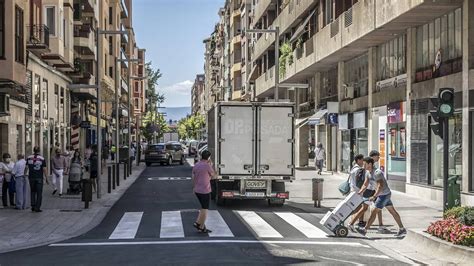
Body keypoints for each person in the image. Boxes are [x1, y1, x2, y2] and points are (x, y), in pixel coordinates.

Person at [357, 157, 407, 237]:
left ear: (370, 164)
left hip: (384, 195)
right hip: (383, 194)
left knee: (374, 212)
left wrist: (374, 196)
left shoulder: (377, 173)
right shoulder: (367, 172)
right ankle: (402, 229)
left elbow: (380, 186)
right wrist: (359, 192)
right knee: (392, 211)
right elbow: (365, 184)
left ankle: (364, 230)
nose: (363, 166)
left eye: (364, 164)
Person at [347, 154, 375, 232]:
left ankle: (358, 222)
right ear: (358, 160)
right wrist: (361, 191)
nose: (363, 163)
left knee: (361, 207)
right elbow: (363, 183)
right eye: (363, 161)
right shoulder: (360, 170)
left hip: (358, 190)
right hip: (362, 191)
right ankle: (357, 223)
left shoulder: (354, 168)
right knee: (361, 208)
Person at [192, 150, 216, 233]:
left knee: (203, 207)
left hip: (197, 190)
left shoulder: (196, 165)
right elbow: (213, 176)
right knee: (205, 209)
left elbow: (193, 176)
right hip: (205, 190)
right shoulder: (207, 166)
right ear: (208, 157)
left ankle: (201, 227)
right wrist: (211, 165)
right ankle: (198, 223)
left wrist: (194, 187)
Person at [26, 146, 49, 212]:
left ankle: (33, 205)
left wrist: (25, 174)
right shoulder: (42, 158)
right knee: (39, 193)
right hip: (39, 177)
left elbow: (26, 167)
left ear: (33, 150)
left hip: (31, 177)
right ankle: (37, 207)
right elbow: (44, 169)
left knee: (32, 191)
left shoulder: (29, 157)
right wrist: (47, 178)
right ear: (39, 151)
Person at [369, 150, 384, 229]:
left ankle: (380, 224)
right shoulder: (369, 165)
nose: (379, 157)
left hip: (374, 189)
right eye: (377, 156)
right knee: (375, 207)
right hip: (370, 190)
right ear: (373, 157)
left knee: (378, 207)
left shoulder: (374, 166)